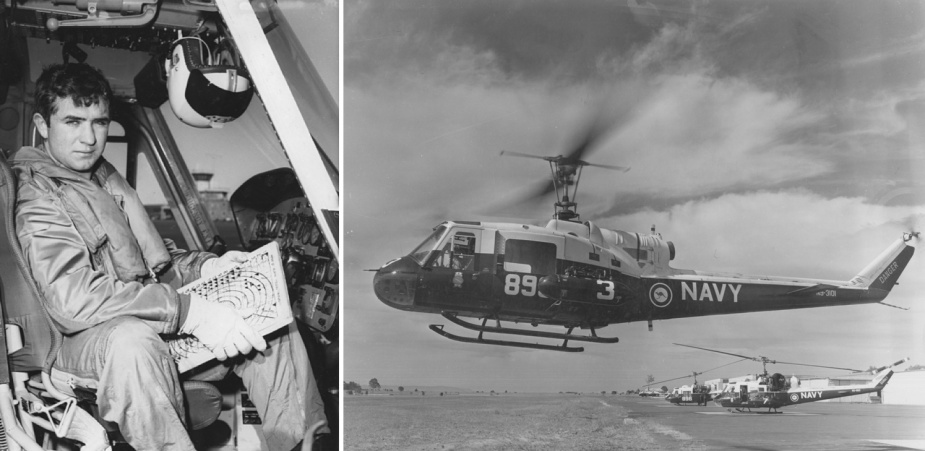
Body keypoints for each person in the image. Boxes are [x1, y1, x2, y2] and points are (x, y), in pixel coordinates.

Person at [12, 63, 327, 450]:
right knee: (133, 342)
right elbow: (73, 299)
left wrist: (209, 266)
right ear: (43, 125)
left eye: (99, 123)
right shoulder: (38, 196)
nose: (89, 138)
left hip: (138, 316)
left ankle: (302, 442)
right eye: (73, 122)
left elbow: (153, 263)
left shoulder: (99, 176)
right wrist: (190, 311)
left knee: (267, 313)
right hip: (75, 344)